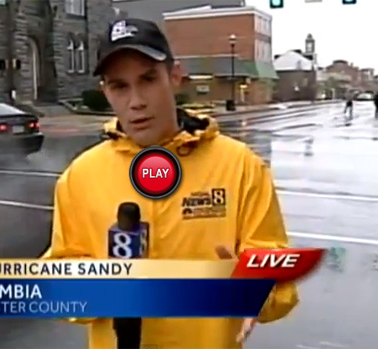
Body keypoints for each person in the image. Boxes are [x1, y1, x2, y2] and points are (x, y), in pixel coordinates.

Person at [43, 18, 298, 349]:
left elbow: (281, 281)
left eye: (148, 79)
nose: (136, 101)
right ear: (106, 91)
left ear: (174, 77)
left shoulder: (240, 167)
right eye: (120, 86)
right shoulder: (81, 176)